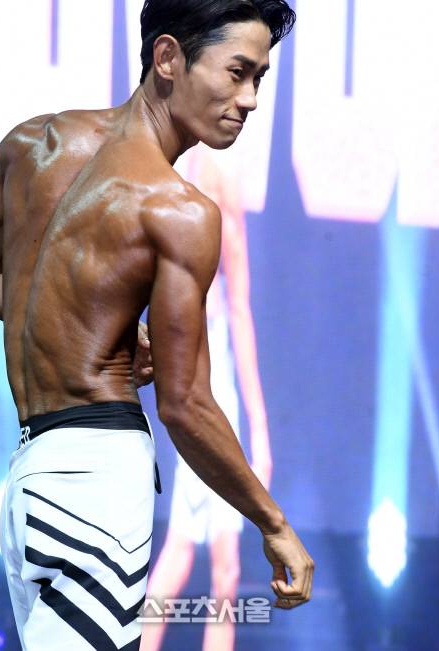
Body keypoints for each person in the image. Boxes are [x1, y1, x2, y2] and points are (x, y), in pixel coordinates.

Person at [0, 0, 313, 651]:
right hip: (96, 485)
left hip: (31, 482)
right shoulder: (179, 210)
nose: (250, 99)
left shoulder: (36, 144)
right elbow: (185, 404)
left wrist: (85, 322)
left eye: (259, 78)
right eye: (236, 73)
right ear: (167, 57)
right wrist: (272, 522)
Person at [142, 145, 271, 651]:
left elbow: (241, 321)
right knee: (196, 558)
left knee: (215, 564)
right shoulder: (177, 227)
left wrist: (260, 431)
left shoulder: (225, 233)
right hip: (195, 400)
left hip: (216, 399)